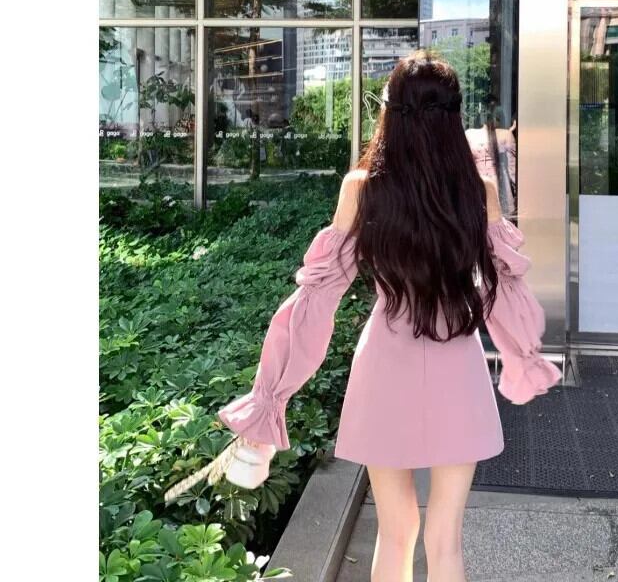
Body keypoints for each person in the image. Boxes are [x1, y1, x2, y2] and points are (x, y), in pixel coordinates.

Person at [217, 50, 562, 582]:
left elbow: (314, 302)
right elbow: (505, 293)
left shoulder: (361, 188)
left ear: (389, 111)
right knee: (445, 541)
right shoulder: (478, 192)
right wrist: (524, 358)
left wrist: (270, 399)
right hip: (457, 363)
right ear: (453, 116)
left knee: (395, 531)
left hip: (384, 363)